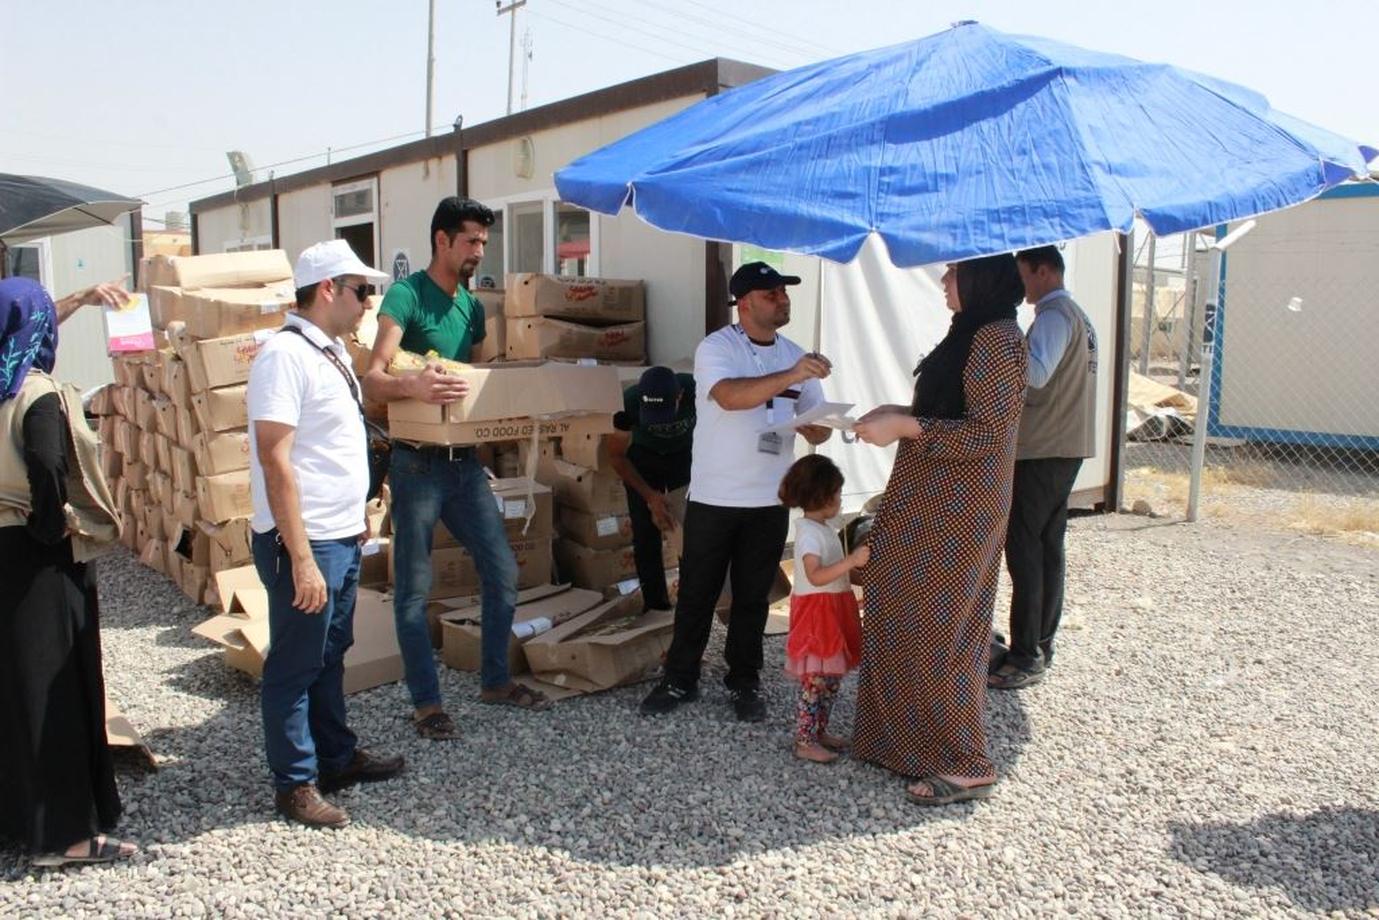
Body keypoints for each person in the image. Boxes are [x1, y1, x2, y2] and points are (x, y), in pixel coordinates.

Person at [363, 197, 549, 740]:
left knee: (503, 570)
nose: (479, 251)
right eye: (471, 240)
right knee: (413, 589)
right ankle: (427, 704)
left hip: (465, 466)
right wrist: (413, 385)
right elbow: (372, 379)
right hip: (417, 466)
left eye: (484, 242)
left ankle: (495, 681)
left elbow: (479, 382)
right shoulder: (406, 296)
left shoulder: (471, 307)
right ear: (441, 240)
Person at [851, 254, 1028, 806]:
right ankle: (900, 744)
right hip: (928, 500)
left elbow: (988, 433)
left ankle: (966, 762)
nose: (943, 280)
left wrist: (907, 425)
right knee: (897, 610)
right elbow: (953, 409)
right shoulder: (970, 332)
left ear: (980, 279)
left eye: (953, 272)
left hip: (959, 511)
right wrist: (898, 412)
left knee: (943, 629)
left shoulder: (997, 339)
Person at [248, 240, 404, 829]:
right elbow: (275, 458)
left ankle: (335, 757)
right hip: (305, 543)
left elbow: (330, 446)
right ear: (327, 289)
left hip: (337, 534)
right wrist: (301, 557)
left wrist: (355, 513)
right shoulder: (284, 356)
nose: (368, 302)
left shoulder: (328, 350)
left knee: (331, 653)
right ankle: (294, 782)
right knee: (295, 663)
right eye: (361, 291)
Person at [640, 261, 833, 722]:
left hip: (771, 498)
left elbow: (819, 425)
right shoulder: (717, 347)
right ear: (743, 303)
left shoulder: (795, 355)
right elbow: (729, 396)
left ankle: (744, 679)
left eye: (784, 292)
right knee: (698, 593)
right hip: (716, 496)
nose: (783, 300)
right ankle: (680, 677)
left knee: (753, 596)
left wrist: (822, 426)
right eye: (771, 294)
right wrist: (791, 376)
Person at [0, 277, 133, 866]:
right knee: (52, 688)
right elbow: (49, 465)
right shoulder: (35, 392)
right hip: (38, 557)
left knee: (12, 689)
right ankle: (64, 836)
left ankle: (18, 819)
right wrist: (53, 528)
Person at [990, 245, 1098, 690]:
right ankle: (1039, 644)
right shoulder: (1077, 316)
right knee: (1047, 547)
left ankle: (1025, 653)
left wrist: (1004, 344)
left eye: (1024, 275)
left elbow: (1035, 374)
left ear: (1044, 271)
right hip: (1065, 444)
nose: (1021, 287)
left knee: (1026, 549)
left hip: (1043, 447)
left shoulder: (1054, 317)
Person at [777, 455, 868, 764]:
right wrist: (851, 561)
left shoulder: (823, 528)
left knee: (830, 679)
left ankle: (818, 731)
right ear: (824, 496)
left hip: (833, 609)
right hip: (818, 615)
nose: (841, 499)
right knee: (815, 681)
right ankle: (805, 740)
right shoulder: (808, 535)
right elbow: (816, 575)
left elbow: (833, 572)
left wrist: (855, 571)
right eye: (838, 493)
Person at [607, 365, 695, 614]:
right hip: (644, 459)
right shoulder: (626, 405)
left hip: (684, 456)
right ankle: (655, 608)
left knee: (688, 530)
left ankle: (692, 605)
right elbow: (616, 456)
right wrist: (649, 496)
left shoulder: (697, 390)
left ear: (679, 396)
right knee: (645, 533)